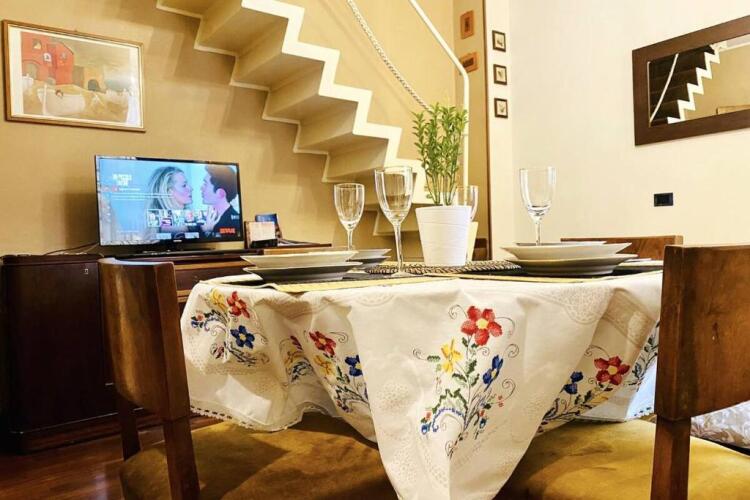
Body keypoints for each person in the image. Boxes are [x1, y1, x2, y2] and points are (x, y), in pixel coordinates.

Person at [146, 166, 195, 240]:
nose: (191, 188)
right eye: (184, 185)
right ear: (168, 192)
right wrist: (206, 230)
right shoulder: (175, 226)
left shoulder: (173, 219)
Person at [200, 165, 242, 238]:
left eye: (205, 184)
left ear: (220, 193)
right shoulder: (207, 218)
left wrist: (207, 231)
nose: (201, 188)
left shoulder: (234, 223)